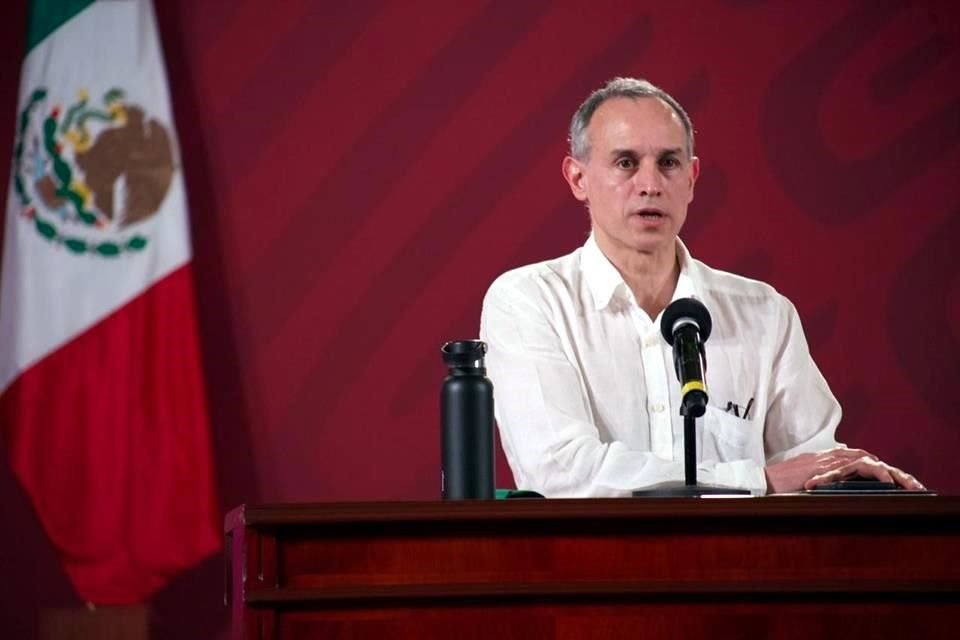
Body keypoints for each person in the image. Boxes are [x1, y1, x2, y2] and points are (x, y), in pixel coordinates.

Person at [479, 77, 923, 497]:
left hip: (745, 572)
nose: (650, 185)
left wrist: (855, 480)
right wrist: (756, 480)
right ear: (578, 179)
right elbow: (562, 472)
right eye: (626, 163)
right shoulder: (529, 302)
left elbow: (812, 467)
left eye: (668, 163)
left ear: (691, 179)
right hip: (593, 573)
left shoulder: (764, 313)